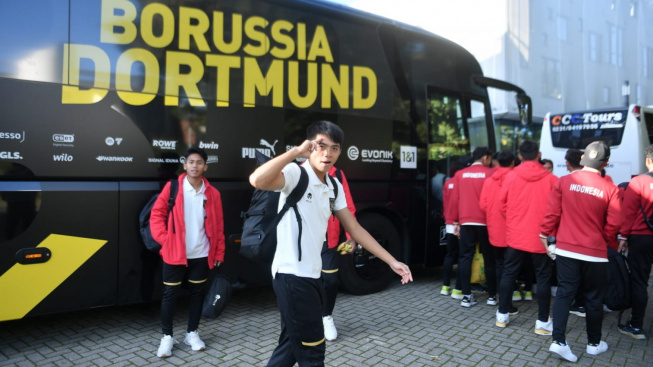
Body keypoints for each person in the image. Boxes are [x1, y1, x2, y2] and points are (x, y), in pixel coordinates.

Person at [249, 120, 413, 366]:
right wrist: (295, 152)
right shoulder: (296, 174)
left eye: (334, 148)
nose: (328, 153)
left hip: (313, 276)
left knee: (290, 347)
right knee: (313, 352)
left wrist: (392, 261)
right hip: (291, 275)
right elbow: (257, 180)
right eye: (321, 146)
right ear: (310, 146)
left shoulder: (334, 185)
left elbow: (355, 229)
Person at [540, 141, 622, 362]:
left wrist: (545, 235)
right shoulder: (611, 188)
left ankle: (558, 341)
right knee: (594, 298)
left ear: (584, 157)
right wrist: (601, 239)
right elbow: (614, 224)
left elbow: (552, 214)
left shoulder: (564, 181)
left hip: (567, 249)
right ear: (606, 163)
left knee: (565, 293)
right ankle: (594, 344)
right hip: (595, 252)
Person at [150, 146, 226, 358]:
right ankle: (167, 337)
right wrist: (166, 240)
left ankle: (192, 333)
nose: (195, 166)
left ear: (205, 167)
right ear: (185, 165)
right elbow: (156, 215)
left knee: (196, 295)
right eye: (191, 162)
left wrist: (219, 252)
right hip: (175, 253)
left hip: (201, 253)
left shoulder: (212, 193)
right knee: (170, 295)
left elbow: (218, 225)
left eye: (199, 162)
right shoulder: (173, 187)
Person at [495, 140, 557, 335]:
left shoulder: (511, 177)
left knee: (509, 273)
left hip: (516, 234)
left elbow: (502, 204)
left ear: (519, 157)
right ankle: (542, 323)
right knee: (544, 277)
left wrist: (514, 218)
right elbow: (556, 210)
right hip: (541, 237)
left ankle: (502, 316)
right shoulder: (552, 179)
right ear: (538, 154)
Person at [451, 147, 496, 307]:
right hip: (485, 221)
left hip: (466, 221)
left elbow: (454, 200)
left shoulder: (460, 174)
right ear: (485, 158)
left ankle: (467, 296)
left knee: (465, 258)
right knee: (490, 258)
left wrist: (454, 222)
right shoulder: (491, 173)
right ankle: (492, 296)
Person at [618, 144, 653, 341]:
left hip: (642, 238)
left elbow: (628, 213)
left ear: (648, 161)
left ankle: (636, 326)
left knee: (640, 281)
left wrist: (623, 237)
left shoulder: (638, 182)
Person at [479, 150, 517, 313]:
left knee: (499, 264)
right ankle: (507, 303)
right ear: (513, 163)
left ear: (496, 163)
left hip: (494, 228)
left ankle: (500, 300)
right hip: (513, 229)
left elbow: (483, 205)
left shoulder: (489, 181)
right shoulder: (516, 178)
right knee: (512, 267)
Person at [321, 166, 357, 341]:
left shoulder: (338, 175)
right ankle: (311, 318)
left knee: (330, 280)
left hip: (330, 240)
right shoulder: (299, 172)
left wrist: (351, 236)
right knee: (307, 283)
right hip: (306, 242)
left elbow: (348, 208)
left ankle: (326, 316)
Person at [440, 156, 471, 299]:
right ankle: (457, 289)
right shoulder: (464, 182)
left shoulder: (448, 182)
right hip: (460, 223)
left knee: (449, 254)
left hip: (449, 222)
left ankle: (445, 286)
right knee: (462, 256)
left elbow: (445, 203)